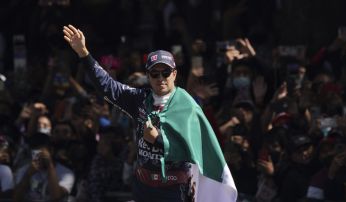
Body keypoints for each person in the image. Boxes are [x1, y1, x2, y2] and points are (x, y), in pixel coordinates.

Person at [63, 24, 237, 202]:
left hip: (175, 190)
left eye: (166, 72)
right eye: (155, 73)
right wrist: (84, 53)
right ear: (148, 76)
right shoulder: (139, 99)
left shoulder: (187, 105)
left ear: (174, 74)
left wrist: (158, 140)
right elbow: (107, 87)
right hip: (144, 187)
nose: (160, 78)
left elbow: (193, 149)